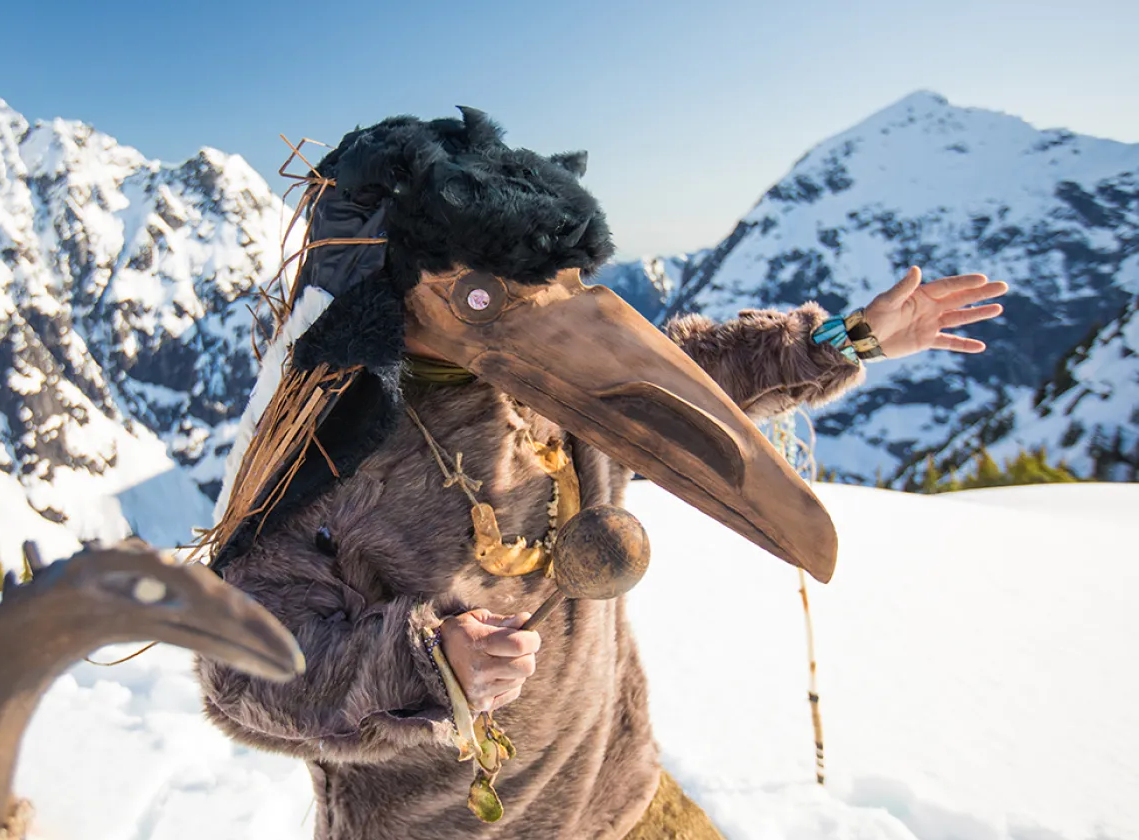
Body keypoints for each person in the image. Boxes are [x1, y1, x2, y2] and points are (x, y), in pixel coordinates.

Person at [197, 108, 1006, 839]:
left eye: (558, 284)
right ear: (392, 292)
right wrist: (426, 662)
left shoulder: (552, 380)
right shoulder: (324, 454)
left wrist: (847, 339)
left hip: (622, 794)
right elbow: (245, 670)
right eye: (486, 295)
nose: (546, 309)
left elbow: (684, 377)